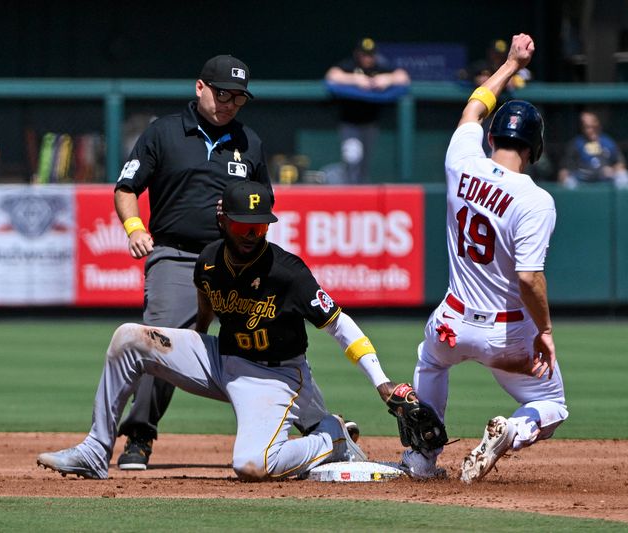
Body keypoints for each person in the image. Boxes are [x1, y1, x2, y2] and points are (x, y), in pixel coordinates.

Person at [37, 180, 414, 481]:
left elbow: (339, 325)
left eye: (260, 225)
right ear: (224, 222)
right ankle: (96, 449)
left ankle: (329, 437)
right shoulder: (209, 261)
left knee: (252, 465)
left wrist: (380, 379)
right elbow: (205, 308)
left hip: (274, 375)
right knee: (129, 338)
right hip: (220, 358)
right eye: (242, 225)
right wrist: (191, 348)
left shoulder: (288, 273)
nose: (252, 233)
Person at [399, 34, 569, 482]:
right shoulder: (535, 200)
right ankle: (511, 429)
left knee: (430, 360)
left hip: (451, 322)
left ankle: (422, 456)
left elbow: (474, 106)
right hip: (507, 333)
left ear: (492, 135)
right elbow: (530, 278)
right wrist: (545, 332)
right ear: (535, 148)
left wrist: (511, 63)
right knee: (552, 406)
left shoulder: (461, 161)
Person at [113, 54, 272, 471]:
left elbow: (265, 203)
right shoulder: (163, 133)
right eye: (223, 94)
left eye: (239, 98)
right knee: (159, 340)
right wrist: (133, 228)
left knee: (274, 336)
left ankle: (315, 425)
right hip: (177, 256)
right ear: (199, 87)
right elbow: (126, 187)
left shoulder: (249, 142)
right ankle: (139, 435)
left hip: (235, 259)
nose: (230, 104)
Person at [324, 37, 410, 184]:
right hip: (349, 122)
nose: (367, 58)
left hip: (370, 124)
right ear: (357, 53)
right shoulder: (350, 65)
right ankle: (336, 178)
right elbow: (332, 75)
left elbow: (404, 77)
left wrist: (388, 79)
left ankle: (359, 195)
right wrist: (355, 79)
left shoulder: (380, 65)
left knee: (364, 165)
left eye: (370, 54)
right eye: (364, 54)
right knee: (352, 157)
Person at [558, 110, 628, 189]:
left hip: (605, 178)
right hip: (582, 179)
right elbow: (564, 169)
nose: (591, 130)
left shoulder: (608, 142)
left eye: (593, 126)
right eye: (587, 127)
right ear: (582, 128)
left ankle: (621, 201)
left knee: (623, 175)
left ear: (598, 125)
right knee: (568, 181)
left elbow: (620, 163)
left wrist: (612, 170)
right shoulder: (576, 143)